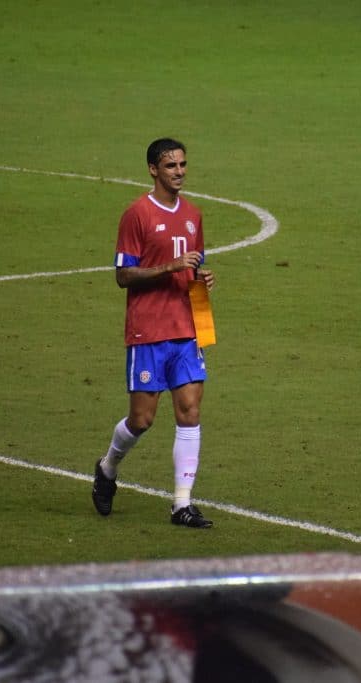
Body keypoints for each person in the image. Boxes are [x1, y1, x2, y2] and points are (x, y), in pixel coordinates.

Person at [92, 138, 216, 528]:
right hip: (148, 331)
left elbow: (194, 268)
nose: (178, 171)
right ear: (152, 169)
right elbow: (123, 275)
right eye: (170, 166)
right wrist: (169, 266)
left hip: (186, 327)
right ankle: (108, 466)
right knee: (142, 420)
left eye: (182, 165)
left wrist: (202, 278)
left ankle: (182, 504)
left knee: (190, 412)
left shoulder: (194, 215)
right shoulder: (137, 215)